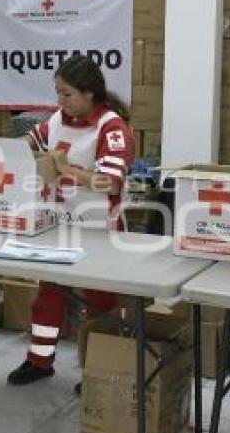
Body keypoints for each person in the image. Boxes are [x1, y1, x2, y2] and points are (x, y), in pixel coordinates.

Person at [7, 54, 135, 386]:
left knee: (101, 303)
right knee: (49, 295)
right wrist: (10, 154)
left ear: (89, 93)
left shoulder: (112, 127)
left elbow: (111, 182)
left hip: (98, 230)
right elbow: (29, 143)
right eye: (57, 93)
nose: (59, 100)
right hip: (57, 225)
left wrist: (66, 170)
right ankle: (39, 360)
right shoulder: (57, 120)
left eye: (66, 93)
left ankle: (97, 368)